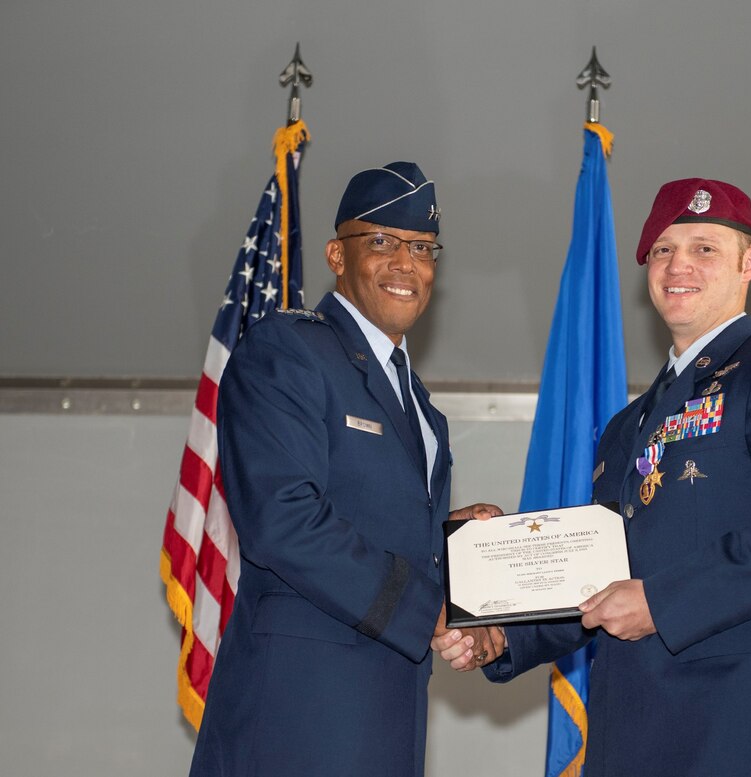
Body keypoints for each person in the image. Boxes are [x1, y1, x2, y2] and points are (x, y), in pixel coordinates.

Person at [434, 177, 751, 776]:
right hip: (629, 735)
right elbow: (596, 577)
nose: (678, 264)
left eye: (704, 247)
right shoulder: (625, 426)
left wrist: (660, 602)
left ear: (750, 263)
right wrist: (503, 633)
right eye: (662, 250)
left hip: (742, 731)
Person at [189, 162, 504, 777]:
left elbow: (372, 517)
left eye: (421, 248)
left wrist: (456, 540)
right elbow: (282, 519)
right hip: (298, 718)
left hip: (389, 717)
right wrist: (429, 609)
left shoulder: (422, 406)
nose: (404, 264)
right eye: (380, 242)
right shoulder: (287, 350)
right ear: (337, 254)